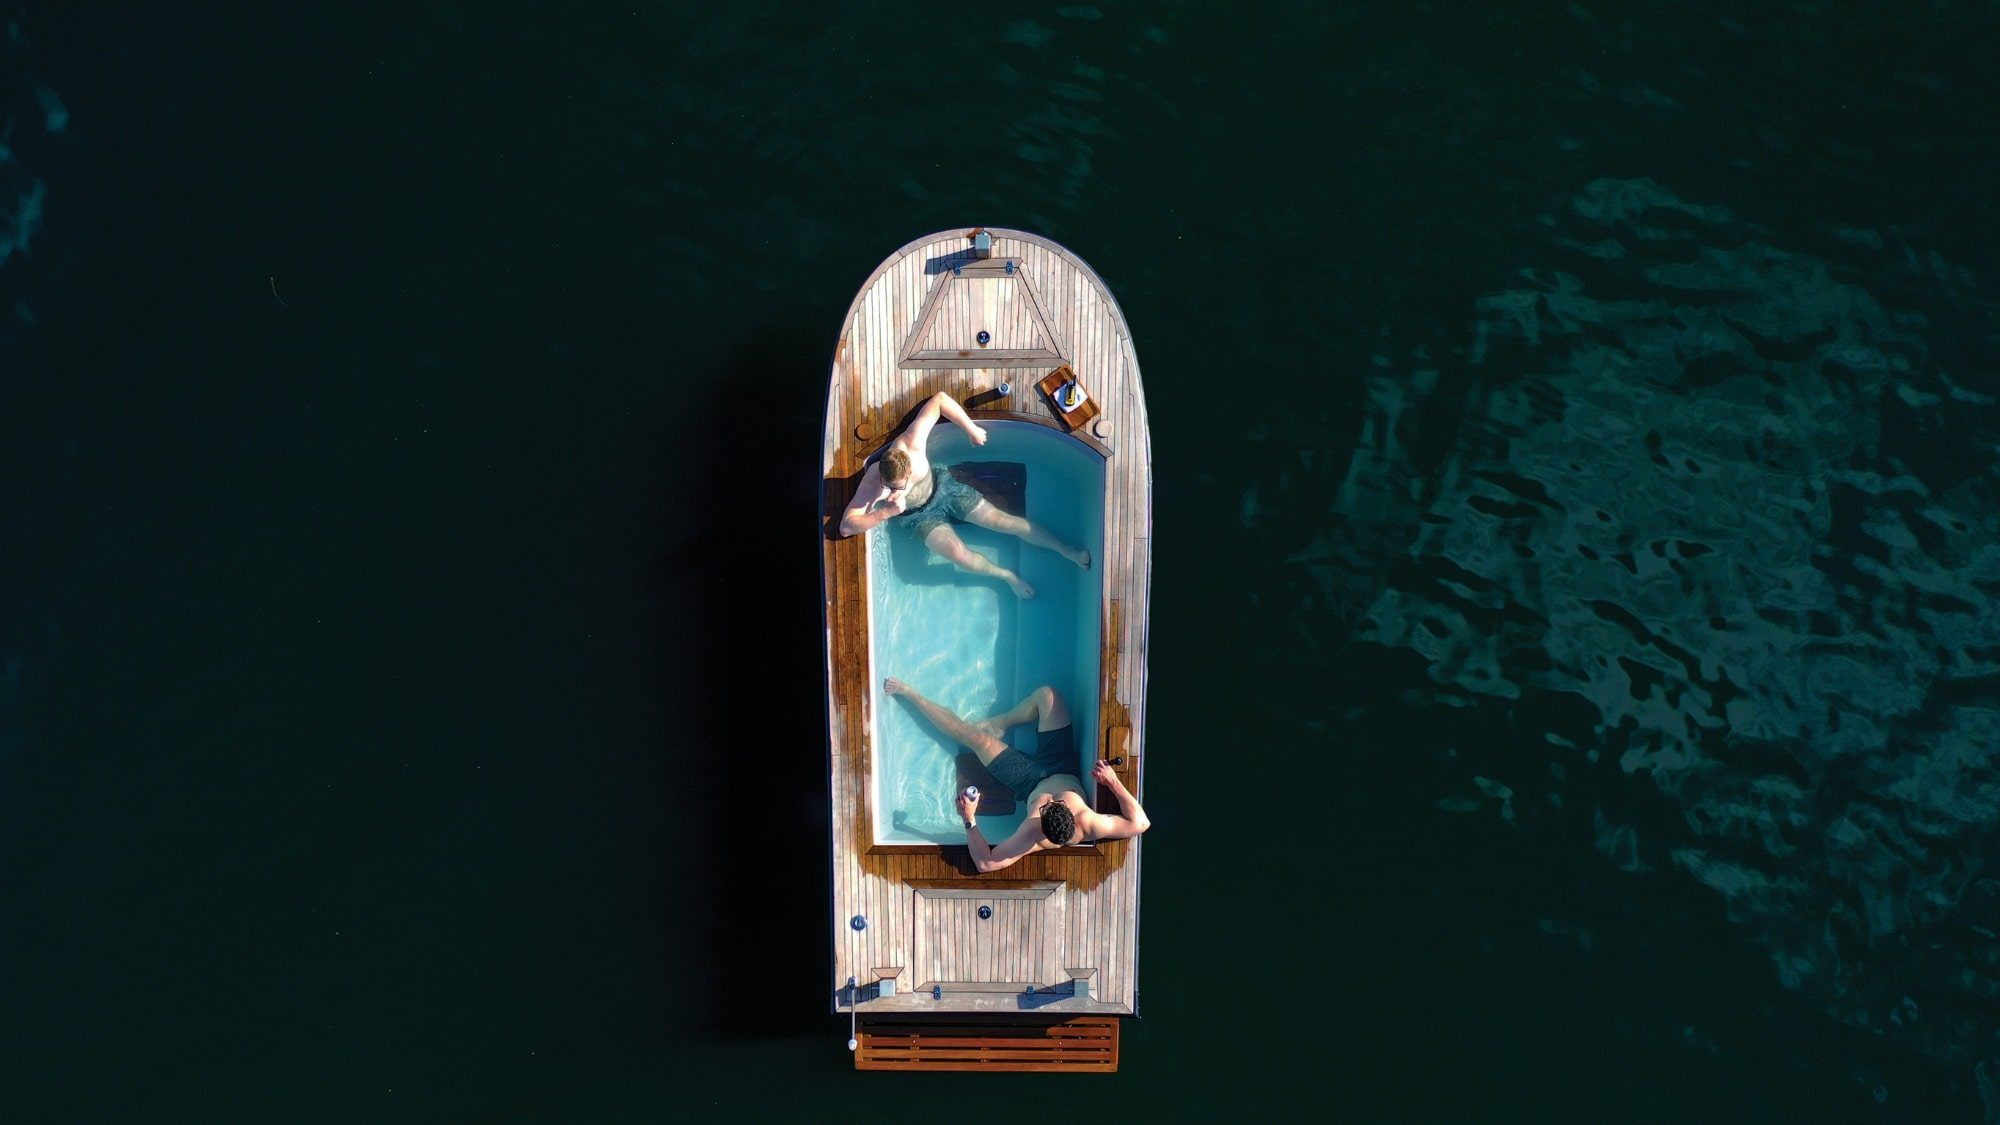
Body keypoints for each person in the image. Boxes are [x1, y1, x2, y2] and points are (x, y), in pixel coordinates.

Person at [838, 391, 1090, 599]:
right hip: (918, 517)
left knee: (1004, 522)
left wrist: (970, 428)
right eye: (890, 487)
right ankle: (1006, 576)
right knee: (960, 555)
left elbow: (939, 400)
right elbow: (846, 527)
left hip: (944, 488)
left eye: (899, 486)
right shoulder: (874, 483)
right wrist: (886, 511)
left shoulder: (911, 444)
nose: (894, 491)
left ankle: (1066, 550)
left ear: (909, 467)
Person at [883, 677, 1150, 872]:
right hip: (1063, 764)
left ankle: (910, 694)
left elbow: (985, 863)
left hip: (1025, 780)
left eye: (1043, 806)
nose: (1048, 799)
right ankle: (1002, 722)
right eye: (1054, 802)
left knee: (971, 737)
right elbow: (1141, 823)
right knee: (1048, 694)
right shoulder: (1092, 822)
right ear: (1067, 811)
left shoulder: (1031, 834)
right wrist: (1113, 782)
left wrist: (969, 819)